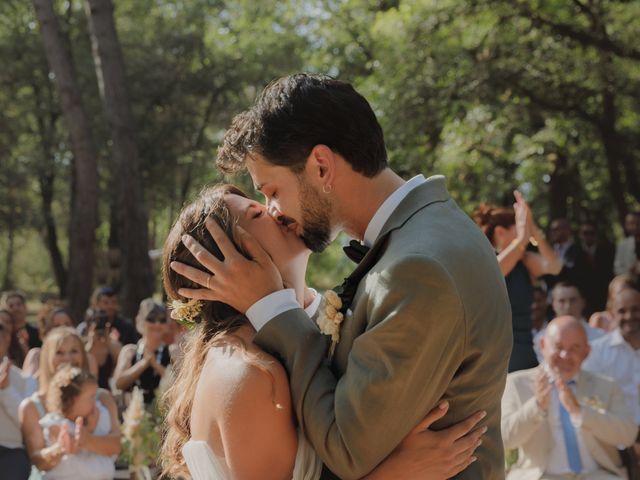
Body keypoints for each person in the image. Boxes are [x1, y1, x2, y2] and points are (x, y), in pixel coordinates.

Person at [171, 74, 511, 479]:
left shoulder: (417, 268)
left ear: (321, 166)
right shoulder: (431, 232)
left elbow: (347, 450)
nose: (274, 210)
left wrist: (273, 308)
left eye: (272, 191)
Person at [161, 185, 487, 480]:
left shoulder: (333, 317)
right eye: (255, 212)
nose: (273, 209)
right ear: (230, 261)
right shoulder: (246, 372)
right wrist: (400, 473)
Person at [502, 316, 637, 479]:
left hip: (596, 474)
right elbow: (505, 438)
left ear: (587, 352)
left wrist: (580, 412)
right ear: (543, 346)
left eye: (575, 348)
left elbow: (628, 435)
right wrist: (537, 406)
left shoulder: (606, 386)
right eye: (558, 347)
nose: (565, 355)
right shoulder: (516, 383)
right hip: (542, 475)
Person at [474, 192, 562, 372]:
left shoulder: (525, 261)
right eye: (519, 227)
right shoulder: (484, 261)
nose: (523, 231)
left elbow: (555, 266)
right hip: (494, 358)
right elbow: (493, 274)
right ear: (500, 232)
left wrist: (535, 233)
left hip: (524, 356)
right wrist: (522, 240)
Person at [19, 329, 119, 478]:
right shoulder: (30, 406)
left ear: (83, 356)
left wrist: (87, 440)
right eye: (59, 352)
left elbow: (116, 445)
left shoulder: (103, 398)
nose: (67, 358)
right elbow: (37, 460)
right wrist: (60, 448)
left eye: (74, 351)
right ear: (47, 358)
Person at [582, 275, 640, 466]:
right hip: (614, 441)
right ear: (612, 314)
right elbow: (590, 401)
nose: (630, 316)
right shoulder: (597, 352)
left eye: (635, 309)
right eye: (622, 311)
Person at [113, 299, 170, 406]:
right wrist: (143, 363)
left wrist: (156, 365)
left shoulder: (172, 352)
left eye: (162, 320)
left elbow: (179, 384)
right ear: (141, 321)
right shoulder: (130, 351)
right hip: (133, 415)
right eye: (151, 319)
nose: (157, 324)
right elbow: (118, 383)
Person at [0, 318, 37, 480]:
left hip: (11, 452)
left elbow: (26, 423)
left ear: (6, 339)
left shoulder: (23, 379)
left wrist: (6, 389)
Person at [534, 282, 605, 363]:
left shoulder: (601, 337)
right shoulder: (541, 339)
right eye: (562, 301)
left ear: (582, 302)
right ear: (553, 304)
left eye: (573, 300)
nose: (568, 306)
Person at [22, 308, 75, 379]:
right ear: (46, 331)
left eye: (67, 324)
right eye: (57, 326)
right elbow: (28, 386)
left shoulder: (83, 357)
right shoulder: (36, 356)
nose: (63, 329)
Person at [577, 221, 615, 313]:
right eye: (585, 233)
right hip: (583, 296)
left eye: (592, 233)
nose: (589, 236)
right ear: (580, 235)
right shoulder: (574, 252)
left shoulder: (607, 250)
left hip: (603, 295)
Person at [84, 309, 122, 391]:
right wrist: (90, 345)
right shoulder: (82, 346)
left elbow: (120, 364)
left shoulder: (115, 345)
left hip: (110, 393)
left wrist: (109, 343)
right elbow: (79, 363)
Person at [614, 211, 640, 276]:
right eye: (630, 223)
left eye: (637, 223)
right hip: (630, 280)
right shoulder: (622, 245)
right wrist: (630, 271)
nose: (634, 226)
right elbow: (617, 269)